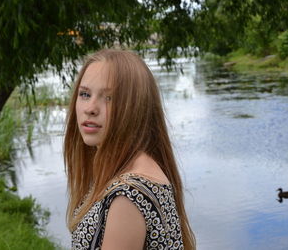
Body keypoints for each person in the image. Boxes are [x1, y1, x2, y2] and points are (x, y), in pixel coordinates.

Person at [64, 49, 195, 250]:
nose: (90, 108)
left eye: (109, 98)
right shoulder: (124, 171)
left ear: (135, 108)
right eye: (85, 94)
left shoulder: (128, 194)